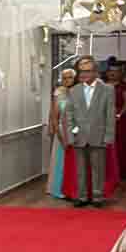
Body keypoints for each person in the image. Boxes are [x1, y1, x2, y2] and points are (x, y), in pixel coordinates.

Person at [61, 55, 116, 208]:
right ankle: (82, 196)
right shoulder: (73, 90)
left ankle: (98, 196)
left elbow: (110, 115)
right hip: (79, 136)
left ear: (96, 72)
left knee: (98, 168)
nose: (84, 74)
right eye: (81, 71)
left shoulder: (107, 89)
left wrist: (109, 137)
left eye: (87, 71)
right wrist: (70, 135)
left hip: (99, 135)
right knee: (80, 170)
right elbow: (69, 115)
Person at [48, 69, 77, 198]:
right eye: (64, 78)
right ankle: (58, 189)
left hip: (76, 131)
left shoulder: (78, 92)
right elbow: (54, 116)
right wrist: (58, 134)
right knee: (60, 161)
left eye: (70, 77)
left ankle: (73, 189)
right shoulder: (58, 93)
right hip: (61, 130)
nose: (67, 80)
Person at [108, 64, 126, 180]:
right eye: (110, 71)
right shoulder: (103, 85)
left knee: (121, 144)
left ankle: (123, 172)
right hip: (106, 116)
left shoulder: (124, 85)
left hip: (121, 118)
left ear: (120, 73)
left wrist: (120, 114)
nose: (112, 73)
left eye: (116, 71)